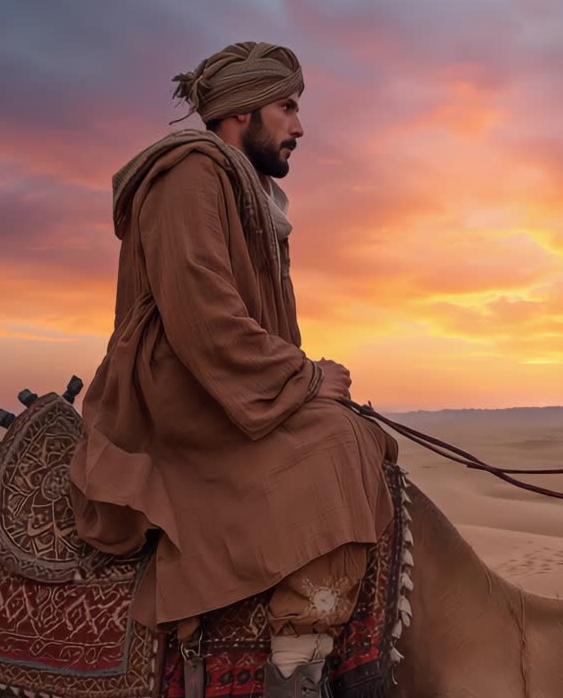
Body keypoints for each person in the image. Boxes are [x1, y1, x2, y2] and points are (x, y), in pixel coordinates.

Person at [67, 41, 397, 697]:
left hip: (228, 389)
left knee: (363, 437)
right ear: (242, 113)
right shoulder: (190, 175)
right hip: (176, 395)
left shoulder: (251, 195)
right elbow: (203, 318)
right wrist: (302, 379)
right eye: (287, 107)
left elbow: (255, 331)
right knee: (335, 448)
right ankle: (294, 670)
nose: (299, 126)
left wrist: (304, 383)